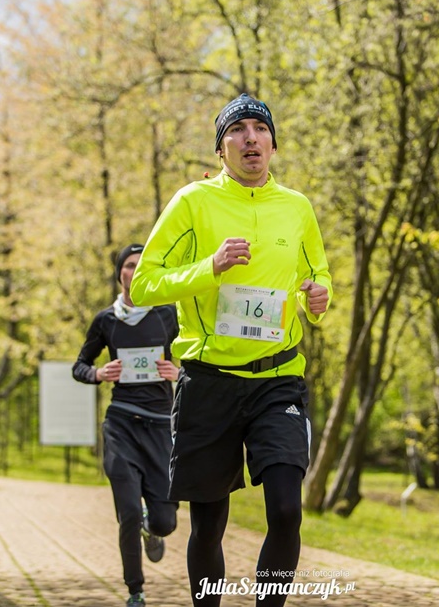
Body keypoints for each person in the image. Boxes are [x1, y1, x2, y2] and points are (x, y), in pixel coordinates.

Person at [130, 93, 332, 606]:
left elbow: (317, 277)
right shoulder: (193, 202)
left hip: (277, 377)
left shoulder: (297, 208)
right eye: (237, 130)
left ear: (272, 144)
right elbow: (143, 286)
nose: (250, 138)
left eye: (259, 129)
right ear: (221, 149)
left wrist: (319, 298)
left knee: (286, 509)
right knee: (209, 523)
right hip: (210, 378)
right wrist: (209, 268)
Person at [72, 243, 180, 607]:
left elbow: (198, 359)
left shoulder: (168, 314)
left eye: (142, 265)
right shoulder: (106, 320)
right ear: (120, 272)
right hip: (120, 424)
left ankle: (155, 529)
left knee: (166, 521)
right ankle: (135, 590)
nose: (135, 271)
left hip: (161, 425)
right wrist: (99, 373)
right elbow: (80, 365)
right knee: (129, 511)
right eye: (130, 265)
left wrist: (178, 374)